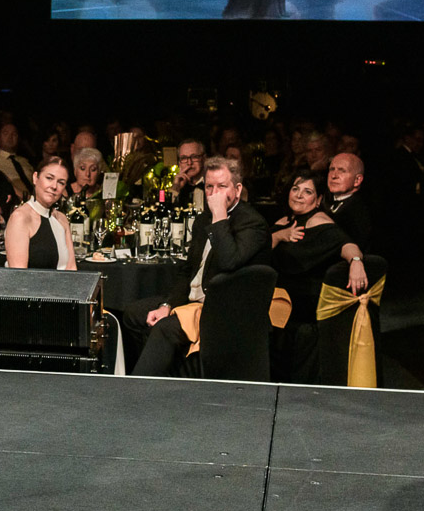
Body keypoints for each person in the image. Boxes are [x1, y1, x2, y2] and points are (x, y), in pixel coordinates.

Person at [124, 157, 269, 376]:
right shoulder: (203, 220)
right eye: (209, 187)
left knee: (165, 328)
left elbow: (229, 262)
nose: (214, 194)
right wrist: (167, 305)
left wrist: (220, 218)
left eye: (222, 186)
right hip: (193, 301)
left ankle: (140, 388)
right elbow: (188, 271)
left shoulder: (252, 223)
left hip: (222, 309)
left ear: (237, 190)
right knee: (133, 314)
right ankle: (165, 377)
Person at [268, 170, 368, 321]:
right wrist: (279, 236)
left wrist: (356, 261)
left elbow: (347, 244)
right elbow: (260, 251)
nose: (299, 195)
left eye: (307, 192)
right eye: (295, 189)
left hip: (303, 304)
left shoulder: (319, 222)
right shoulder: (283, 222)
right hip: (276, 296)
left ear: (318, 200)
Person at [4, 157, 77, 270]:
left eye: (61, 182)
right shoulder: (21, 217)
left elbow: (71, 268)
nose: (54, 186)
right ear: (35, 178)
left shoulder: (61, 219)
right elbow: (18, 275)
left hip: (63, 281)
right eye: (49, 178)